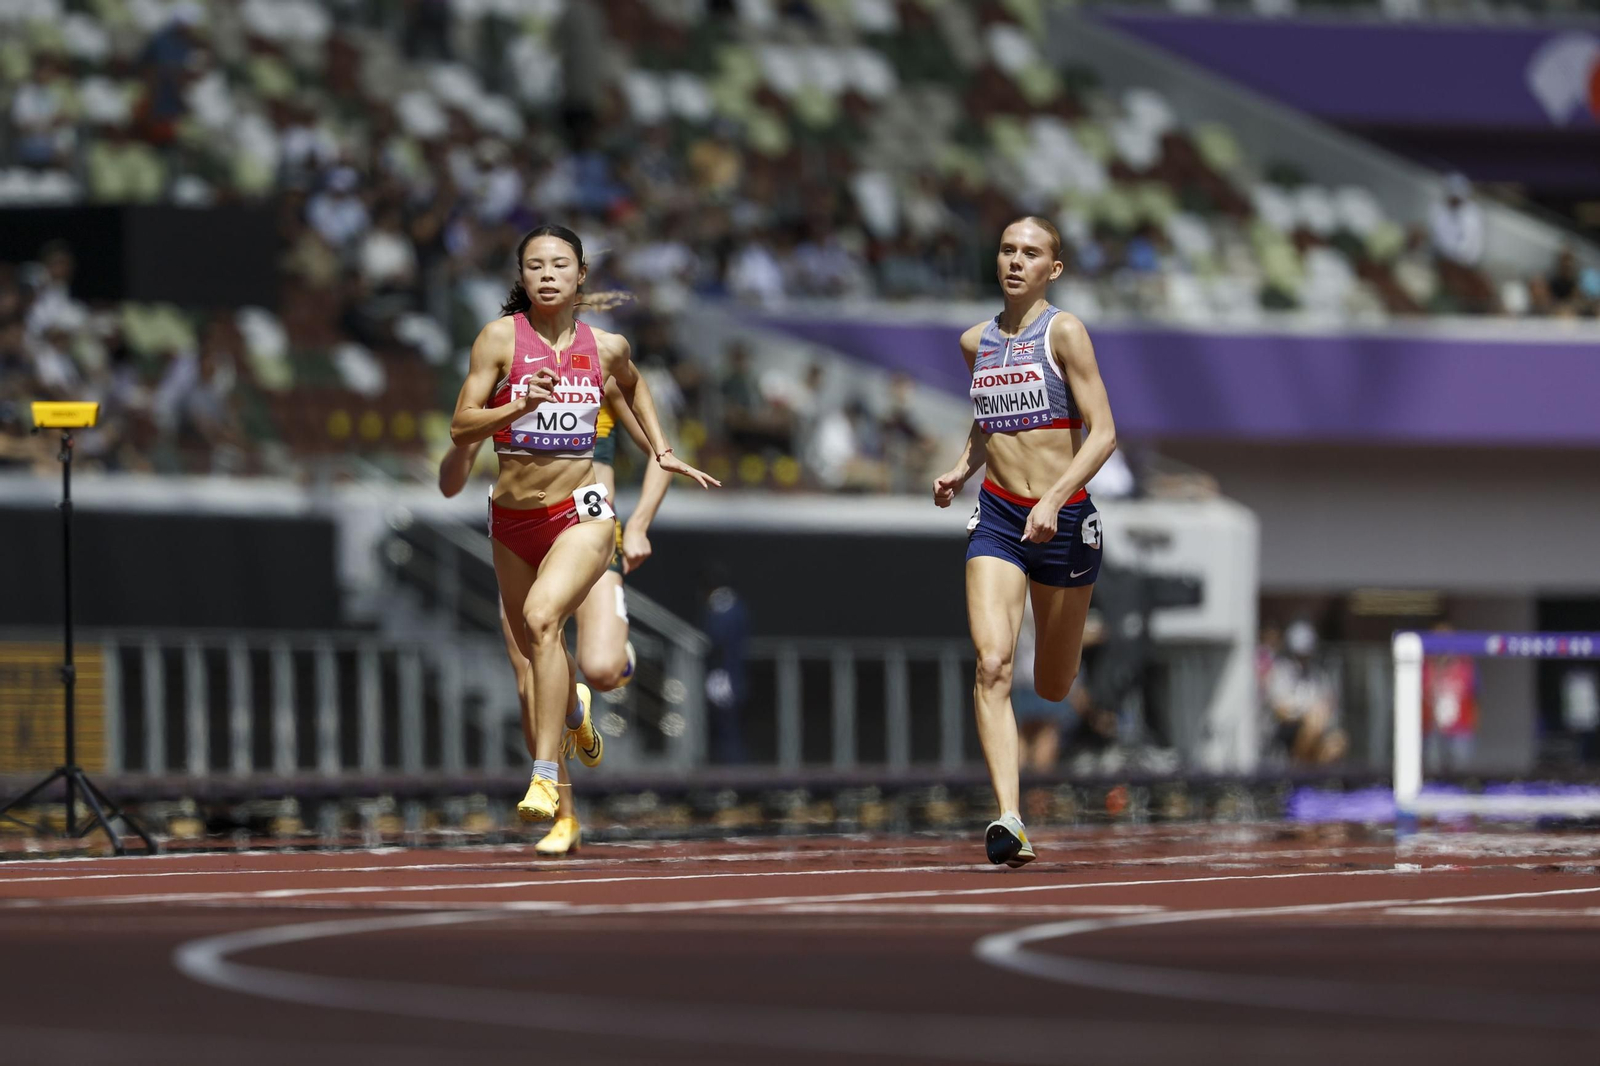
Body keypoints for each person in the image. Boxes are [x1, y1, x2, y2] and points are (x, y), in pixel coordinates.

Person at [448, 224, 717, 831]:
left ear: (581, 276)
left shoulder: (605, 351)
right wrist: (516, 405)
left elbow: (639, 397)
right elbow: (461, 426)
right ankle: (571, 737)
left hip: (587, 516)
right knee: (532, 658)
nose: (547, 275)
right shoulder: (499, 341)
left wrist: (653, 484)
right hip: (513, 519)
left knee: (558, 633)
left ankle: (547, 777)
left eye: (560, 265)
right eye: (535, 266)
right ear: (521, 278)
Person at [932, 216, 1118, 867]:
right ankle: (1009, 817)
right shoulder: (974, 341)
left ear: (1053, 269)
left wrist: (1055, 498)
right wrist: (963, 466)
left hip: (1064, 523)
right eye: (1008, 249)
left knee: (1055, 682)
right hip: (1002, 520)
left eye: (1030, 252)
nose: (1015, 260)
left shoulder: (1064, 332)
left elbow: (1103, 433)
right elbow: (990, 421)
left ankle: (1063, 694)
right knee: (992, 664)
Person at [438, 381, 672, 854]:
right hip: (523, 535)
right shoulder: (508, 380)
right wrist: (473, 435)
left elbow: (662, 451)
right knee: (528, 679)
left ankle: (607, 666)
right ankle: (565, 815)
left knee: (602, 669)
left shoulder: (596, 371)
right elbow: (450, 482)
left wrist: (642, 522)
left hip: (588, 531)